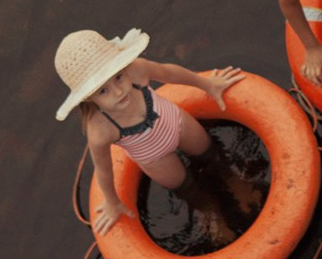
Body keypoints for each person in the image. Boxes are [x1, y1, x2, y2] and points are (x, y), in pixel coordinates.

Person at [54, 28, 246, 235]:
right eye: (103, 90)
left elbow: (169, 73)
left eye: (118, 77)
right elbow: (104, 169)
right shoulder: (100, 128)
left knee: (211, 153)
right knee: (186, 188)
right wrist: (112, 201)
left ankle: (235, 182)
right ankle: (209, 211)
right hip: (154, 157)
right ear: (88, 98)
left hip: (178, 124)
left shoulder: (136, 70)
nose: (118, 91)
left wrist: (207, 85)